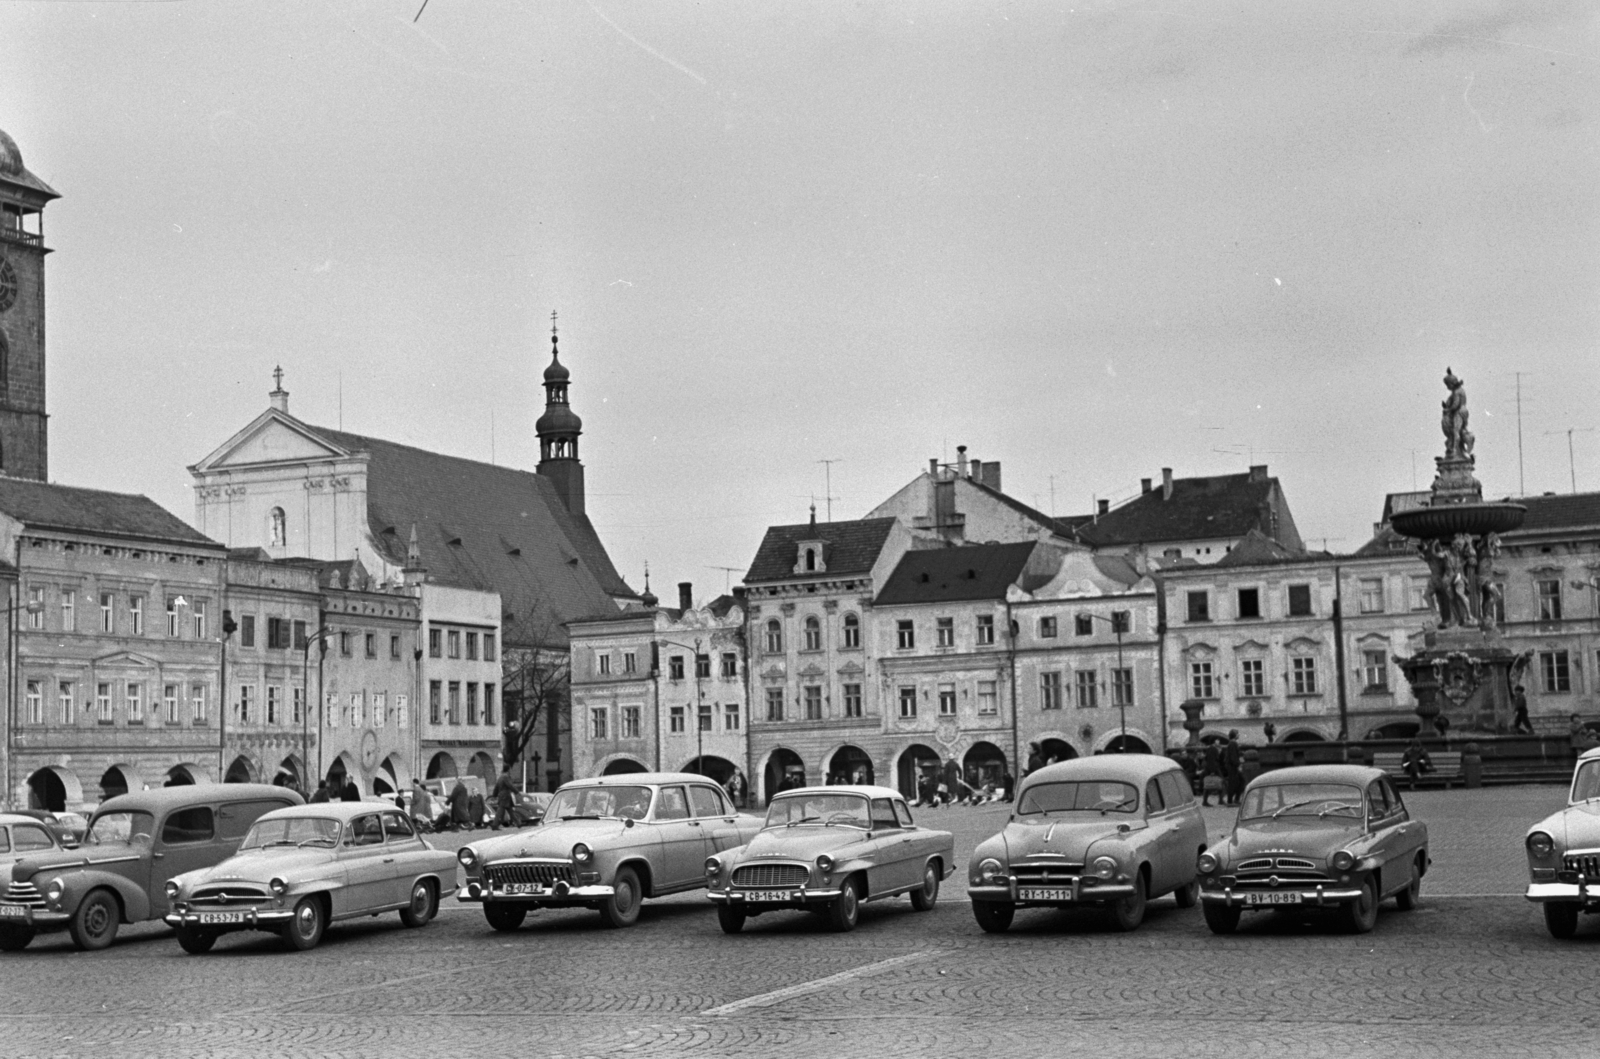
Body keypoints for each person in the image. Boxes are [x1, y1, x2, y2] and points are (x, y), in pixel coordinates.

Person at [1222, 730, 1244, 806]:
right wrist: (1238, 765)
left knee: (1237, 782)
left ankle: (1234, 799)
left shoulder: (1232, 743)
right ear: (1234, 735)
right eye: (1237, 733)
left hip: (1231, 765)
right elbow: (1233, 756)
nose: (1239, 735)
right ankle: (1231, 800)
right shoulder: (1233, 744)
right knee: (1235, 782)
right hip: (1232, 766)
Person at [1201, 742, 1223, 807]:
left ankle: (1205, 801)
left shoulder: (1210, 749)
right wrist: (1212, 771)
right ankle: (1220, 799)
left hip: (1210, 768)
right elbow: (1213, 760)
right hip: (1213, 768)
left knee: (1208, 784)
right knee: (1221, 782)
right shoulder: (1213, 749)